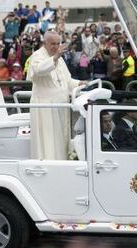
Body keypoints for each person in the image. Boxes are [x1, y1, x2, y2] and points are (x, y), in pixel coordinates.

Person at [27, 31, 86, 160]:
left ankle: (61, 161)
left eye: (58, 43)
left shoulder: (59, 58)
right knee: (48, 141)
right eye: (52, 44)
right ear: (45, 43)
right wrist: (54, 58)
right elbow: (38, 70)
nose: (56, 46)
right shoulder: (37, 56)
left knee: (60, 138)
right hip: (45, 107)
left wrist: (80, 83)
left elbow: (67, 81)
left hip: (61, 106)